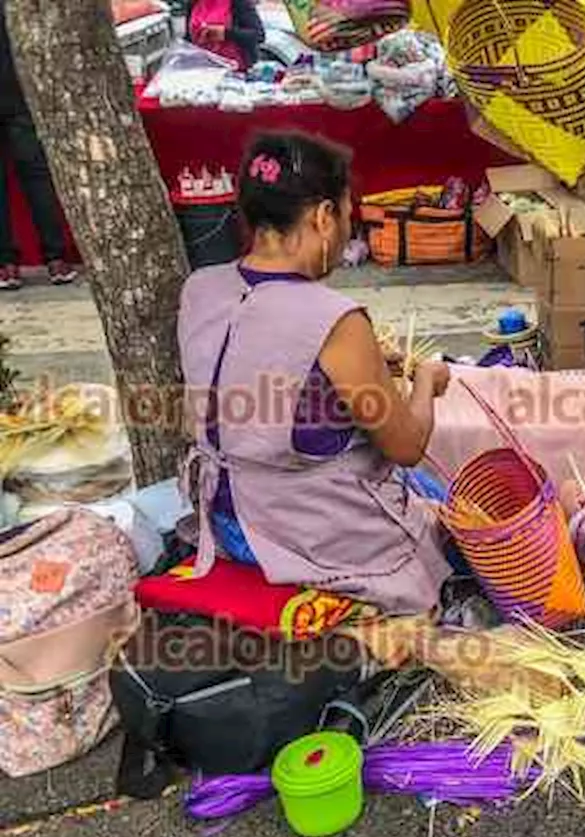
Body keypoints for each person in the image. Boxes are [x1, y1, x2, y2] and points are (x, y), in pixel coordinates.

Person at [178, 132, 455, 615]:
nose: (350, 229)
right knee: (457, 506)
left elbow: (268, 374)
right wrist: (428, 380)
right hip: (307, 534)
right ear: (324, 216)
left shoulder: (200, 288)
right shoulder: (336, 318)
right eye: (349, 214)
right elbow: (406, 447)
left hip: (224, 518)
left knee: (432, 491)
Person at [0, 11, 77, 291]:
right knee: (37, 177)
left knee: (35, 177)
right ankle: (56, 257)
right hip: (21, 88)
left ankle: (6, 264)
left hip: (19, 90)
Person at [187, 0, 265, 71]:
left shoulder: (238, 3)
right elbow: (188, 39)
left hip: (234, 70)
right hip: (201, 68)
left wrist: (225, 33)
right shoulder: (195, 4)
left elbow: (258, 35)